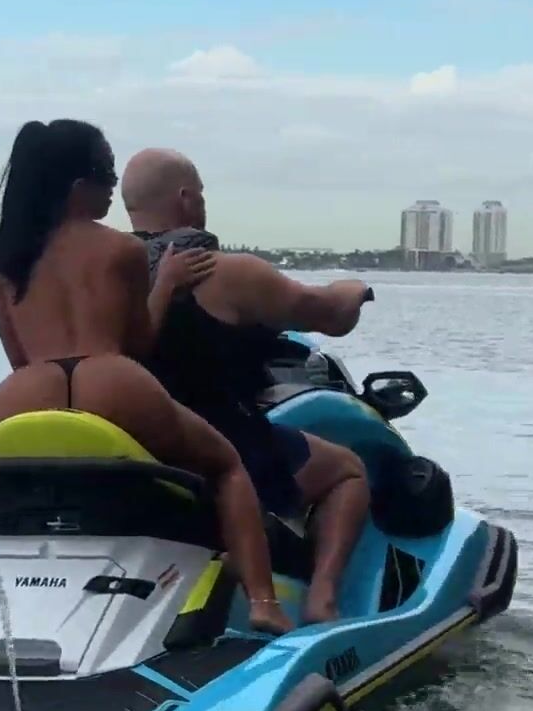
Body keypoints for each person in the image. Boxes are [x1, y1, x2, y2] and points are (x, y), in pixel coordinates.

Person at [0, 120, 293, 638]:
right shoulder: (122, 249)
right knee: (227, 467)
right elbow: (138, 344)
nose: (114, 187)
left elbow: (18, 356)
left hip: (28, 387)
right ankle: (264, 603)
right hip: (110, 378)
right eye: (107, 175)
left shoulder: (5, 261)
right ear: (78, 187)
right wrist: (166, 285)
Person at [118, 147, 373, 625]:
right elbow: (331, 316)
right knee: (347, 471)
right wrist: (354, 289)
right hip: (223, 448)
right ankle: (322, 601)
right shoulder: (227, 272)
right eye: (201, 194)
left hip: (140, 450)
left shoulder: (114, 275)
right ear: (187, 198)